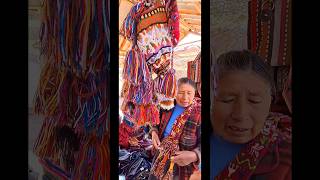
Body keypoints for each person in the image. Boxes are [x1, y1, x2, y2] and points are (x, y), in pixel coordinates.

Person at [211, 50, 291, 180]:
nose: (240, 114)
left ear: (269, 101)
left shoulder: (284, 158)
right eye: (227, 99)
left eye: (254, 101)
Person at [148, 77, 201, 180]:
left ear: (194, 93)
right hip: (161, 158)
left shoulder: (198, 113)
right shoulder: (167, 106)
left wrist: (195, 155)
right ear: (174, 92)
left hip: (184, 166)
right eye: (181, 92)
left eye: (189, 93)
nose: (185, 97)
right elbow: (154, 122)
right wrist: (154, 132)